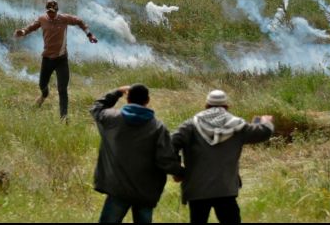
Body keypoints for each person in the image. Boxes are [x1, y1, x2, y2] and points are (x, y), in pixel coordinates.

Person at [171, 90, 274, 225]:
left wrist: (178, 171)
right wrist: (266, 122)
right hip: (225, 188)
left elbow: (168, 145)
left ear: (206, 105)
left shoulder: (189, 126)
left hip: (197, 189)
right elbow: (263, 133)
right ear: (226, 107)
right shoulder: (238, 126)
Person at [91, 84, 184, 224]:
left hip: (118, 189)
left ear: (127, 99)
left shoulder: (111, 118)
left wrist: (117, 92)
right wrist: (181, 172)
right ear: (147, 100)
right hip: (145, 192)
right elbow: (165, 160)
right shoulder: (157, 127)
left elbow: (96, 108)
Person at [14, 0, 97, 119]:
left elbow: (80, 21)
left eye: (53, 12)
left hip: (61, 60)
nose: (50, 14)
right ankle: (44, 95)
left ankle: (64, 117)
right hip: (47, 58)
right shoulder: (42, 19)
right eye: (48, 12)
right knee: (42, 84)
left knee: (62, 89)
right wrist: (22, 31)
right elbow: (32, 27)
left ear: (57, 10)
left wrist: (89, 34)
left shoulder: (64, 19)